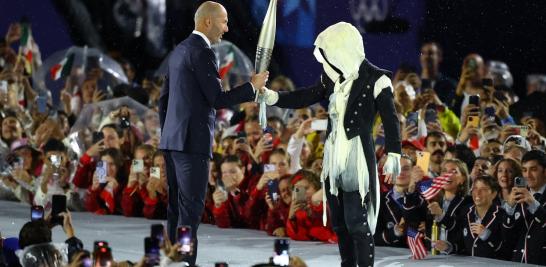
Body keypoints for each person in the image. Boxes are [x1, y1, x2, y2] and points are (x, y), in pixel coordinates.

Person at [260, 22, 401, 267]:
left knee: (357, 220)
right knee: (339, 221)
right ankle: (347, 264)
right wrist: (274, 97)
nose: (326, 61)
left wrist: (394, 153)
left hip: (357, 155)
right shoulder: (332, 78)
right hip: (333, 156)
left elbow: (391, 119)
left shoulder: (378, 79)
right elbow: (306, 95)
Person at [158, 2, 268, 264]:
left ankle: (173, 261)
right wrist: (251, 87)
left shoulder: (179, 51)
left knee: (176, 208)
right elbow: (217, 98)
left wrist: (167, 136)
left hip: (172, 141)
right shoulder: (203, 52)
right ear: (208, 22)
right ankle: (185, 261)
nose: (227, 28)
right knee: (191, 211)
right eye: (223, 21)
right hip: (192, 144)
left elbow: (163, 101)